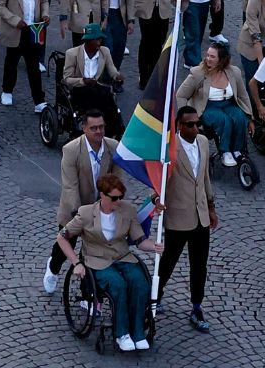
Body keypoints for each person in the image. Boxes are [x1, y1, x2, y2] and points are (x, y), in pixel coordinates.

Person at [54, 168, 155, 354]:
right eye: (114, 198)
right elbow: (62, 238)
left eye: (121, 197)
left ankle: (138, 331)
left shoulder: (127, 210)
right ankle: (122, 333)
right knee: (117, 285)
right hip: (96, 260)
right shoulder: (86, 214)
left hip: (122, 256)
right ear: (102, 195)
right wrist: (76, 262)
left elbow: (140, 240)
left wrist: (155, 247)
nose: (118, 201)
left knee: (140, 282)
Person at [156, 103, 220, 332]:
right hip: (178, 216)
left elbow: (204, 179)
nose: (195, 128)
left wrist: (211, 207)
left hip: (200, 215)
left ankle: (197, 305)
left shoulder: (203, 142)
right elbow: (159, 181)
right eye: (190, 125)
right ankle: (156, 295)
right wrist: (156, 200)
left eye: (197, 124)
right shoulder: (169, 149)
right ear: (179, 126)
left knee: (199, 265)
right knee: (168, 261)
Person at [46, 110, 121, 293]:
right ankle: (53, 267)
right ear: (84, 128)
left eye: (101, 127)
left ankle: (88, 292)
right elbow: (70, 186)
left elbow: (117, 181)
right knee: (65, 246)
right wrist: (82, 215)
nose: (98, 131)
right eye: (93, 128)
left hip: (100, 207)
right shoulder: (71, 150)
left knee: (92, 251)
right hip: (74, 209)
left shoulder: (113, 147)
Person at [181, 39, 254, 166]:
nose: (208, 59)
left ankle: (237, 150)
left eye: (212, 56)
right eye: (208, 55)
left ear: (222, 59)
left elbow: (243, 95)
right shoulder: (198, 73)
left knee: (240, 117)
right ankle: (224, 151)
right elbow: (181, 95)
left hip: (228, 104)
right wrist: (185, 119)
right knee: (223, 120)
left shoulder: (234, 72)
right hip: (208, 107)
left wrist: (250, 117)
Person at [0, 0, 51, 112]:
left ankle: (39, 100)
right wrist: (14, 20)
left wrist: (45, 14)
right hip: (16, 28)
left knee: (33, 65)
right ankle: (7, 90)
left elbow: (44, 1)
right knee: (11, 61)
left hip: (33, 29)